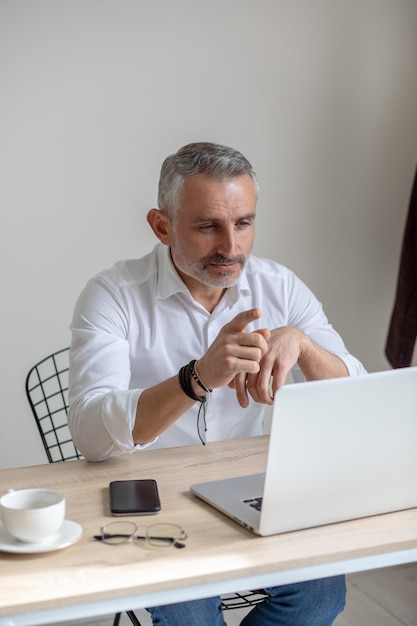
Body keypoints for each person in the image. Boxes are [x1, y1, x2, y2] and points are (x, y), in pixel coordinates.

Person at [69, 141, 366, 626]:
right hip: (152, 501)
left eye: (243, 223)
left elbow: (359, 401)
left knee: (321, 593)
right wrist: (197, 378)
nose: (231, 248)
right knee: (192, 613)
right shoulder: (112, 296)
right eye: (208, 226)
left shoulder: (281, 287)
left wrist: (305, 348)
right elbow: (90, 435)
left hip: (249, 490)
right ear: (161, 225)